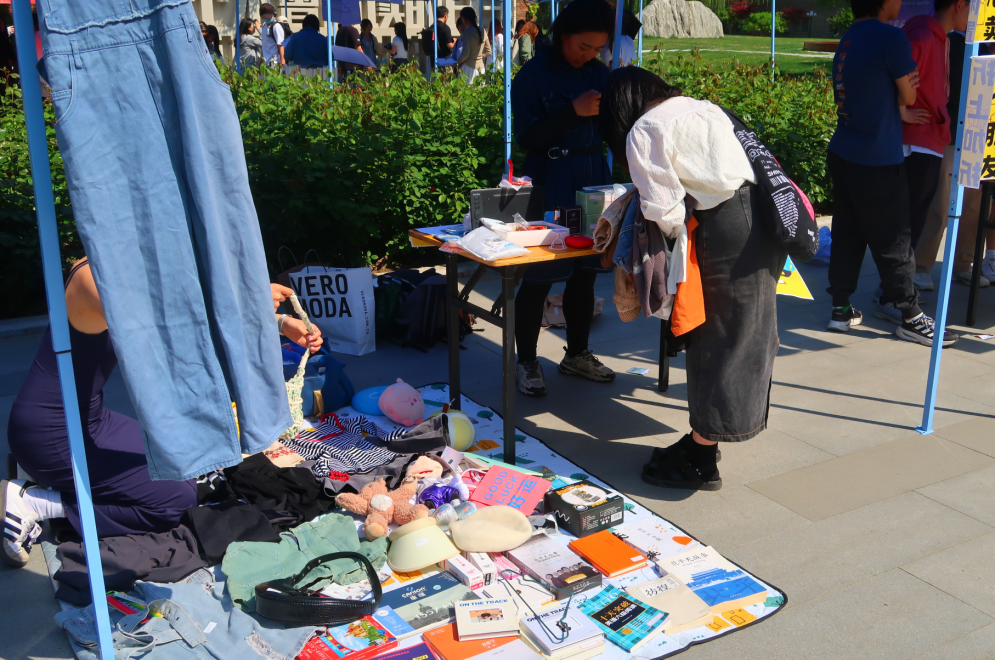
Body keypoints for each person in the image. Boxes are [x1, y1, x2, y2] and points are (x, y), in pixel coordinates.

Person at [1, 259, 322, 567]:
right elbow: (170, 328)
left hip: (88, 420)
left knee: (182, 468)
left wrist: (278, 322)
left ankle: (58, 477)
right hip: (51, 433)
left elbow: (184, 307)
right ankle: (36, 502)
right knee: (173, 502)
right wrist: (249, 303)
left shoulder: (122, 269)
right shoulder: (91, 277)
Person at [600, 67, 784, 490]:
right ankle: (705, 440)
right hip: (761, 219)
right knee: (745, 334)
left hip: (724, 227)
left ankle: (702, 459)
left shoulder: (644, 129)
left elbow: (665, 212)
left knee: (714, 338)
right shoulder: (701, 107)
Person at [825, 0, 956, 346]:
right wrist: (903, 91)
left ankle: (840, 309)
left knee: (848, 233)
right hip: (877, 157)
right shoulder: (891, 37)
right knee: (895, 239)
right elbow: (910, 93)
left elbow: (869, 89)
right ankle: (911, 316)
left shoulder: (850, 36)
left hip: (843, 150)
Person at [510, 0, 617, 397]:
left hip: (594, 180)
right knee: (540, 274)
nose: (589, 55)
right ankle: (526, 360)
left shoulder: (601, 74)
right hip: (552, 179)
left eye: (597, 48)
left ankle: (577, 354)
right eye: (583, 46)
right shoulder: (532, 76)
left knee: (586, 273)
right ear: (563, 35)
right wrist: (572, 111)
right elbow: (527, 137)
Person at [890, 0, 968, 305]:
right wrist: (902, 111)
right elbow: (894, 73)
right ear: (959, 5)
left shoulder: (939, 37)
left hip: (929, 138)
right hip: (918, 140)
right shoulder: (924, 36)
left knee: (913, 218)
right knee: (909, 221)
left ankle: (899, 289)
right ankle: (895, 293)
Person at [916, 21, 995, 289]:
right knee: (940, 205)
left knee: (974, 205)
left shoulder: (985, 46)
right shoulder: (949, 43)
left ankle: (963, 264)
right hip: (949, 136)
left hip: (979, 137)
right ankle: (921, 266)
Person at [456, 7, 491, 83]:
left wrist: (457, 62)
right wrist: (478, 56)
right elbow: (489, 52)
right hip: (481, 69)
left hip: (468, 68)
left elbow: (466, 54)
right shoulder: (483, 30)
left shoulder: (466, 33)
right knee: (480, 89)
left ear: (463, 18)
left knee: (464, 89)